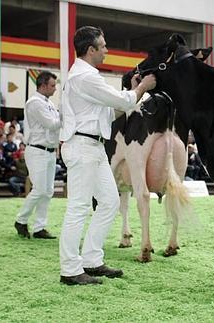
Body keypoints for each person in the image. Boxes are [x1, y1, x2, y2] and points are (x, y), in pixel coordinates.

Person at [58, 26, 156, 286]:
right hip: (83, 146)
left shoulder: (85, 76)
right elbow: (122, 102)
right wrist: (143, 87)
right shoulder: (85, 77)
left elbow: (112, 113)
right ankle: (70, 269)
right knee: (78, 208)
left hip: (94, 145)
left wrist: (134, 93)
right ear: (90, 50)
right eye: (102, 46)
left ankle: (91, 259)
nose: (106, 50)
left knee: (110, 202)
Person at [14, 71, 61, 240]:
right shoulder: (34, 103)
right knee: (39, 189)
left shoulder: (47, 103)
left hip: (49, 151)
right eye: (52, 85)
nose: (55, 89)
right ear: (43, 85)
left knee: (47, 191)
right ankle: (21, 220)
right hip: (37, 150)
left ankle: (39, 227)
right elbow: (51, 124)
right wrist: (67, 115)